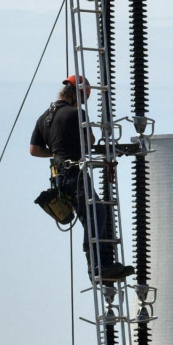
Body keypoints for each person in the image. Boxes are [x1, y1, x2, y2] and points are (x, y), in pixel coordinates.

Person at [30, 75, 134, 282]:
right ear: (79, 96)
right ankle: (98, 267)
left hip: (59, 176)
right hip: (74, 173)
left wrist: (56, 152)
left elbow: (34, 150)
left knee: (91, 216)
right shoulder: (76, 113)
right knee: (97, 213)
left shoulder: (44, 118)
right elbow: (90, 141)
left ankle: (99, 267)